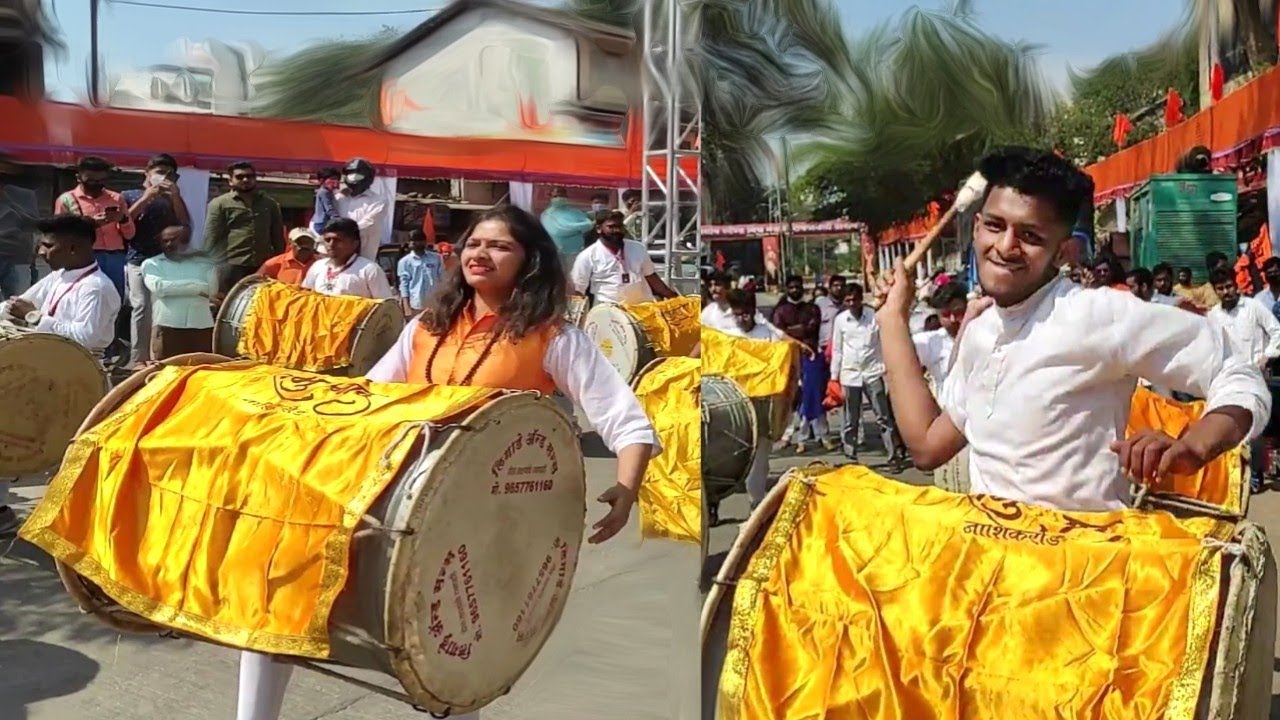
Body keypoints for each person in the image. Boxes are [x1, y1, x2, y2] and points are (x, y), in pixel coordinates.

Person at [234, 204, 660, 720]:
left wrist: (626, 487)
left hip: (477, 520)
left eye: (500, 245)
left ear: (530, 261)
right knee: (274, 590)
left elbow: (624, 418)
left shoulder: (555, 338)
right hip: (389, 497)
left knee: (452, 660)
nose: (481, 253)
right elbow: (371, 400)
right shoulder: (423, 328)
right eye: (475, 244)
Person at [874, 146, 1268, 513]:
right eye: (995, 226)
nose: (1005, 246)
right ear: (976, 228)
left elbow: (1238, 374)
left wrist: (1193, 447)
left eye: (1030, 236)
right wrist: (893, 318)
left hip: (1084, 574)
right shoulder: (979, 333)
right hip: (994, 572)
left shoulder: (1098, 315)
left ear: (1063, 253)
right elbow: (927, 446)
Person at [0, 214, 122, 537]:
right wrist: (14, 311)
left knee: (68, 452)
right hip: (45, 375)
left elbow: (86, 337)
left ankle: (77, 525)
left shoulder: (97, 287)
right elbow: (19, 306)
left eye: (48, 245)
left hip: (80, 381)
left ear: (71, 248)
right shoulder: (58, 277)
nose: (41, 251)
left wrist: (36, 317)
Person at [1206, 266, 1280, 493]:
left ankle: (1256, 473)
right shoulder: (1213, 316)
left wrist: (1267, 356)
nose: (1226, 292)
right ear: (1215, 291)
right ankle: (1233, 479)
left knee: (1257, 428)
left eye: (1229, 286)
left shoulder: (1253, 307)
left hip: (1256, 375)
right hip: (1227, 379)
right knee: (1231, 429)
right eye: (1221, 288)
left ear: (1236, 284)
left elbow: (1277, 331)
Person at [122, 153, 191, 369]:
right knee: (141, 306)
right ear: (147, 173)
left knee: (161, 308)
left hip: (165, 261)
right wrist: (146, 198)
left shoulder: (173, 199)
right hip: (137, 259)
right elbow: (124, 222)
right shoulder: (130, 195)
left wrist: (176, 197)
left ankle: (157, 356)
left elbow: (185, 225)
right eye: (160, 173)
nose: (164, 178)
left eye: (170, 175)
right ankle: (137, 358)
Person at [830, 282, 908, 470]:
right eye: (847, 300)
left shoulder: (873, 317)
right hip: (850, 374)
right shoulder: (841, 320)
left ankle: (892, 456)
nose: (851, 303)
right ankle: (850, 456)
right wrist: (834, 377)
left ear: (860, 300)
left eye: (854, 299)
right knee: (851, 419)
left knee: (883, 417)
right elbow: (837, 350)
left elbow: (884, 343)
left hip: (873, 372)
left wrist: (890, 370)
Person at [721, 288, 788, 506]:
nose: (741, 319)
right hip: (735, 406)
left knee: (760, 460)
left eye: (745, 314)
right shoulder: (727, 335)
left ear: (753, 311)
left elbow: (781, 367)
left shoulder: (768, 336)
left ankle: (756, 503)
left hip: (763, 405)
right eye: (736, 314)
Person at [772, 275, 831, 454]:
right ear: (787, 289)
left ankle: (821, 436)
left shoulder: (812, 308)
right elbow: (779, 332)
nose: (795, 290)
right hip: (788, 358)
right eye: (791, 287)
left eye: (798, 287)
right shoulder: (780, 310)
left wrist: (792, 330)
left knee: (813, 396)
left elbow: (811, 328)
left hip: (810, 356)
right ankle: (788, 435)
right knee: (791, 398)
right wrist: (798, 330)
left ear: (803, 289)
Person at [205, 161, 285, 293]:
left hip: (263, 265)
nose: (246, 180)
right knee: (228, 304)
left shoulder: (269, 204)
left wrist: (279, 263)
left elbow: (277, 237)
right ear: (230, 180)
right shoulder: (219, 204)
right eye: (240, 177)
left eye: (250, 176)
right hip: (230, 265)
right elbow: (211, 237)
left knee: (260, 304)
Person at [141, 226, 218, 360]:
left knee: (201, 373)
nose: (169, 244)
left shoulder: (205, 263)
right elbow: (159, 288)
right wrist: (197, 287)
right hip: (167, 326)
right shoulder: (152, 264)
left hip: (200, 326)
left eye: (174, 240)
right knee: (165, 374)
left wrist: (175, 288)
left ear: (186, 240)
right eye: (165, 241)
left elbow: (211, 291)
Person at [571, 211, 677, 305]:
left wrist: (674, 297)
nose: (617, 230)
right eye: (611, 227)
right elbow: (578, 290)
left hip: (642, 307)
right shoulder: (587, 255)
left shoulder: (637, 247)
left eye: (619, 226)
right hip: (608, 310)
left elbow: (651, 276)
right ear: (599, 229)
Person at [301, 218, 395, 300]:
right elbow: (305, 297)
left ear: (355, 243)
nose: (331, 245)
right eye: (327, 240)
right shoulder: (318, 266)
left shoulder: (369, 270)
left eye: (337, 240)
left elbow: (386, 308)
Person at [334, 158, 388, 260]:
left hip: (363, 259)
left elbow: (369, 224)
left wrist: (341, 234)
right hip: (335, 259)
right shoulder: (338, 198)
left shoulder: (378, 201)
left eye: (359, 173)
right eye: (351, 173)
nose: (354, 177)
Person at [0, 155, 38, 298]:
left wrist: (7, 200)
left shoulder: (23, 195)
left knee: (17, 303)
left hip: (17, 258)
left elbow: (33, 224)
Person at [541, 186, 595, 272]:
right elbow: (560, 230)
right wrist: (581, 227)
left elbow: (588, 224)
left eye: (562, 196)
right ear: (550, 197)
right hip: (558, 254)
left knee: (576, 279)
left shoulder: (575, 212)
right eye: (556, 196)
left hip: (577, 252)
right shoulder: (547, 214)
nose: (559, 198)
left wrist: (577, 227)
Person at [397, 228, 443, 317]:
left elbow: (442, 279)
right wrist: (406, 307)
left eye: (418, 240)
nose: (414, 243)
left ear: (424, 241)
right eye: (412, 241)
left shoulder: (436, 258)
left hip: (435, 304)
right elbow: (404, 285)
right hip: (416, 305)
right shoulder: (405, 262)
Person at [310, 168, 341, 235]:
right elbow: (329, 209)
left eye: (337, 179)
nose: (335, 182)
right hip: (322, 223)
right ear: (322, 180)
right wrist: (338, 220)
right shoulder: (324, 192)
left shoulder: (328, 192)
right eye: (332, 179)